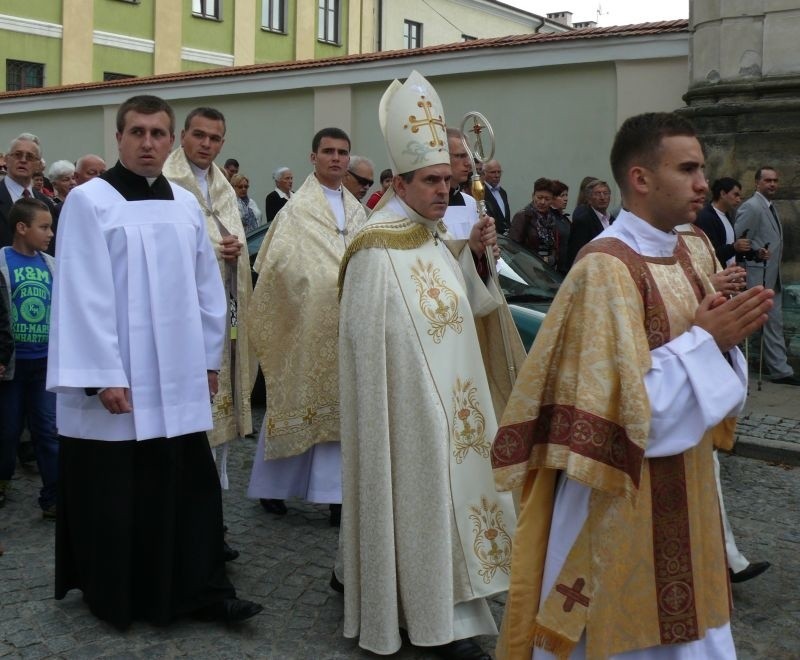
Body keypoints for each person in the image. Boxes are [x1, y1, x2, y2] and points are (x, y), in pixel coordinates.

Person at [491, 112, 774, 659]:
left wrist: (718, 332)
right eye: (687, 169)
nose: (702, 184)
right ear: (640, 179)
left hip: (687, 484)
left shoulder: (690, 248)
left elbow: (710, 381)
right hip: (620, 497)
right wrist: (707, 342)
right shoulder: (603, 268)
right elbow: (617, 411)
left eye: (703, 169)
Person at [46, 94, 262, 628]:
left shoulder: (186, 205)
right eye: (137, 132)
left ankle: (201, 589)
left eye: (158, 133)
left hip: (177, 378)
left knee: (187, 485)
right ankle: (120, 594)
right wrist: (102, 376)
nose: (148, 143)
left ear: (171, 142)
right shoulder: (89, 201)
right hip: (118, 384)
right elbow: (81, 292)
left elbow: (206, 288)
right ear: (118, 137)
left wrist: (210, 360)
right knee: (119, 492)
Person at [337, 70, 524, 660]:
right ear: (399, 182)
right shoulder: (373, 247)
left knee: (460, 511)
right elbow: (369, 344)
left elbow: (466, 309)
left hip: (459, 411)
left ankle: (457, 608)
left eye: (448, 179)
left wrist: (476, 258)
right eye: (431, 181)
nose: (444, 190)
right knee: (423, 509)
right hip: (411, 416)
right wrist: (418, 404)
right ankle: (429, 616)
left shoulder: (432, 237)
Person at [247, 127, 367, 522]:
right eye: (328, 151)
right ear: (313, 157)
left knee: (341, 410)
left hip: (348, 321)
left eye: (342, 152)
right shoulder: (296, 209)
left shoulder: (358, 210)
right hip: (305, 322)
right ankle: (273, 488)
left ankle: (336, 498)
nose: (336, 158)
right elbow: (277, 265)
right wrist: (312, 288)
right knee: (293, 399)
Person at [163, 106, 255, 495]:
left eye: (215, 138)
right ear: (182, 136)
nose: (206, 144)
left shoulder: (222, 186)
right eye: (199, 135)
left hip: (225, 309)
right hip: (183, 316)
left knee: (220, 418)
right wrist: (216, 250)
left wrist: (234, 252)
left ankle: (212, 507)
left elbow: (233, 239)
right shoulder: (166, 182)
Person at [0, 198, 58, 516]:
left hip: (44, 363)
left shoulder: (51, 265)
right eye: (44, 227)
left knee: (47, 429)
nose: (50, 233)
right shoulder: (2, 263)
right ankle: (3, 479)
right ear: (22, 228)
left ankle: (53, 494)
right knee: (7, 430)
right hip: (11, 367)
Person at [735, 166, 800, 385]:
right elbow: (740, 240)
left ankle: (781, 370)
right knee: (749, 325)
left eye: (775, 180)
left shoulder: (770, 206)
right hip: (757, 277)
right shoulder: (752, 207)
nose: (772, 184)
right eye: (768, 180)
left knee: (774, 323)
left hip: (772, 277)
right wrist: (753, 259)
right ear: (757, 183)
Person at [0, 135, 59, 250]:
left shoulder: (47, 204)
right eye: (17, 155)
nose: (23, 160)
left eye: (30, 157)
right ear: (7, 160)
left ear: (38, 165)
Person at [509, 178, 570, 274]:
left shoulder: (552, 218)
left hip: (548, 270)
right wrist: (537, 259)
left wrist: (552, 259)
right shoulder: (523, 216)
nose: (542, 202)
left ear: (552, 200)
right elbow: (512, 247)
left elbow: (555, 246)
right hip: (528, 270)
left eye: (547, 199)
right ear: (533, 196)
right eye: (539, 197)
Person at [695, 177, 753, 268]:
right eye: (735, 195)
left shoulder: (726, 215)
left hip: (729, 275)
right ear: (722, 193)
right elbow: (709, 253)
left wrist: (756, 254)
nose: (739, 200)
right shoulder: (706, 217)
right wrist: (734, 247)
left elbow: (731, 250)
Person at [565, 178, 615, 270]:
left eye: (605, 193)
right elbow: (576, 254)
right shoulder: (583, 221)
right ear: (589, 198)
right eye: (597, 193)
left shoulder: (612, 221)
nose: (602, 197)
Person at [444, 127, 480, 239]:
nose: (468, 163)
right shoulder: (428, 205)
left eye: (469, 156)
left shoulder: (470, 203)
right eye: (460, 156)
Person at [483, 159, 511, 235]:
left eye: (499, 172)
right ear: (484, 173)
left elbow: (506, 218)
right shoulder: (481, 192)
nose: (497, 175)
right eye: (493, 172)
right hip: (490, 236)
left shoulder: (503, 192)